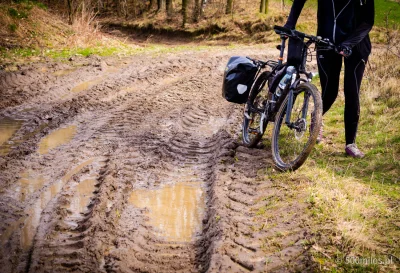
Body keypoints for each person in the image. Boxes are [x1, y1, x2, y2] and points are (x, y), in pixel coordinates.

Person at [284, 0, 375, 158]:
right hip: (326, 42)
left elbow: (368, 21)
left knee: (351, 92)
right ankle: (317, 116)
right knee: (330, 91)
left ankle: (350, 144)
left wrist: (348, 43)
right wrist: (290, 24)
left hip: (357, 45)